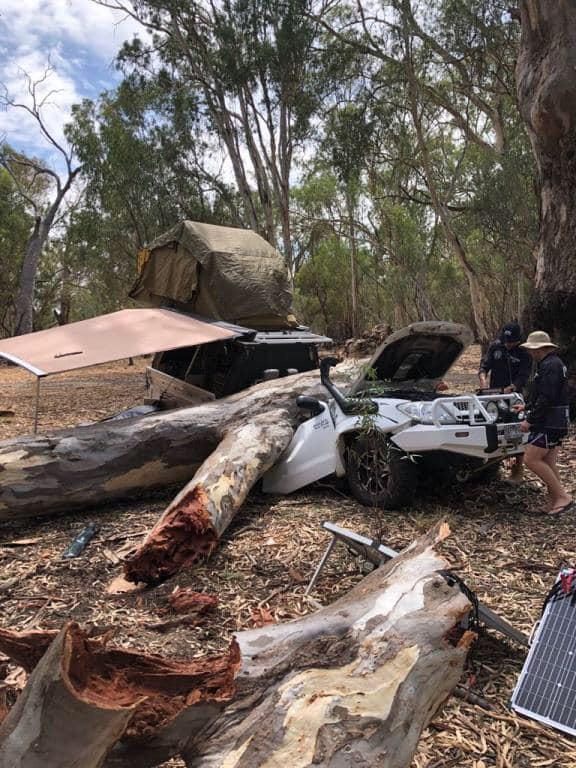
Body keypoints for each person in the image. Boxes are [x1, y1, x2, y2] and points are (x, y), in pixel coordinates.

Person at [515, 331, 572, 516]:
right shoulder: (552, 364)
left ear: (540, 349)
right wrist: (526, 406)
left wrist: (530, 421)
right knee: (548, 461)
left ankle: (563, 497)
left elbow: (546, 398)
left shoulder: (549, 366)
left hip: (550, 422)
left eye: (532, 350)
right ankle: (553, 500)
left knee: (531, 458)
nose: (531, 353)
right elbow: (543, 395)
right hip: (557, 420)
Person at [478, 322, 532, 481]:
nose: (508, 345)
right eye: (506, 341)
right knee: (493, 430)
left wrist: (512, 387)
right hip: (494, 397)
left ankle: (518, 468)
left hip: (514, 398)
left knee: (515, 431)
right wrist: (483, 380)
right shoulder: (495, 347)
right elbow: (484, 366)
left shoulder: (525, 353)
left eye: (511, 342)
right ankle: (492, 465)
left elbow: (524, 376)